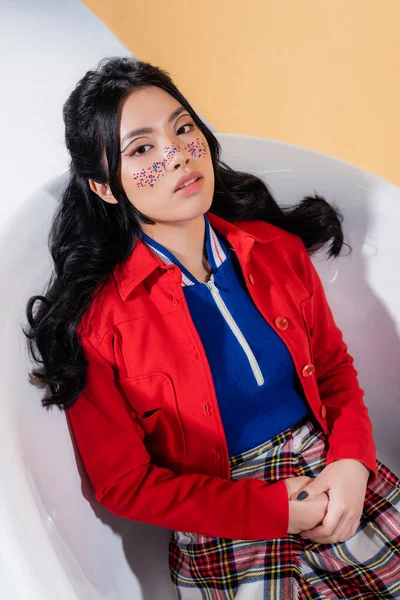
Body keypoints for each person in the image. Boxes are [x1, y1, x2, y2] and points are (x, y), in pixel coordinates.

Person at [23, 57, 400, 599]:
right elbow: (123, 484)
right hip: (224, 516)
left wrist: (351, 464)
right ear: (106, 188)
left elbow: (335, 369)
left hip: (333, 477)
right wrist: (271, 510)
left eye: (183, 128)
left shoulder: (275, 250)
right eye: (142, 149)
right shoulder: (99, 325)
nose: (177, 155)